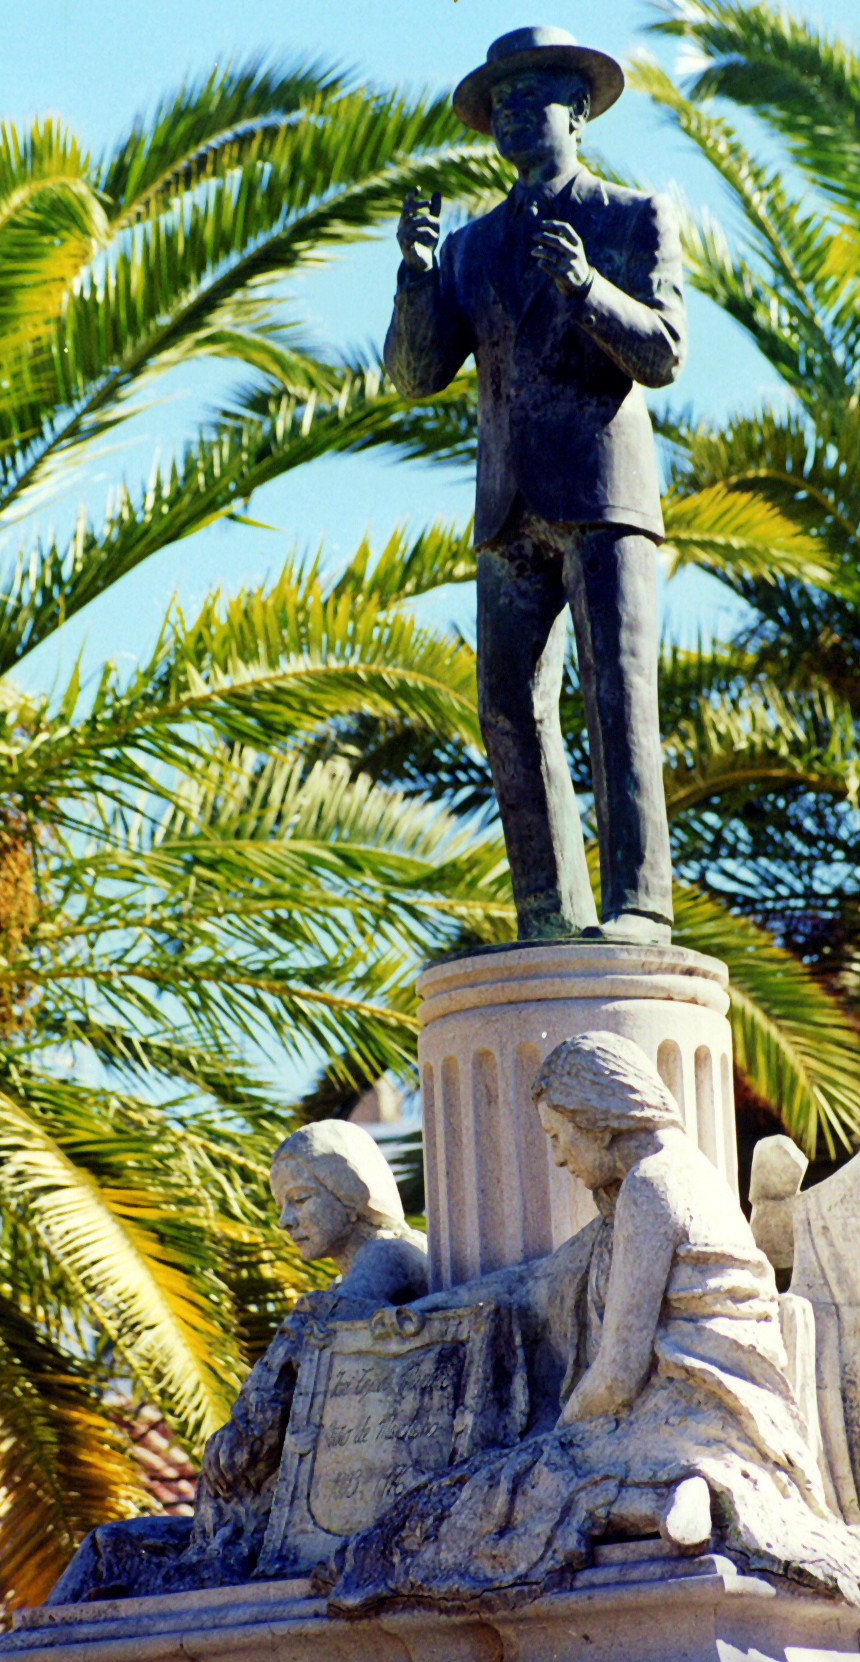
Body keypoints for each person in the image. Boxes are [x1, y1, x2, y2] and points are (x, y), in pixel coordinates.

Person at [326, 1033, 860, 1613]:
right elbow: (537, 1278)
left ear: (598, 1120)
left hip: (684, 1425)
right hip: (739, 1429)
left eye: (559, 1136)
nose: (559, 1158)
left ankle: (671, 1487)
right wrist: (427, 1308)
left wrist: (554, 1437)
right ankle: (674, 1491)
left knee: (490, 1495)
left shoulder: (651, 1188)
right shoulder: (683, 1178)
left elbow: (618, 1374)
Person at [385, 26, 686, 944]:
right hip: (508, 506)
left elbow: (665, 352)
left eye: (531, 100)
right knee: (508, 708)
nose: (512, 116)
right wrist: (415, 278)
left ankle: (640, 903)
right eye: (500, 106)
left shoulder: (631, 217)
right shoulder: (470, 248)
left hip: (601, 493)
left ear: (578, 113)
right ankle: (549, 914)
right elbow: (414, 374)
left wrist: (589, 288)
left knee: (619, 695)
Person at [44, 1121, 427, 1604]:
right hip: (259, 1521)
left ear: (352, 1193)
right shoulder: (366, 1271)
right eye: (281, 1205)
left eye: (301, 1199)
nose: (285, 1221)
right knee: (106, 1551)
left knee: (107, 1555)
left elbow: (319, 1351)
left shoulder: (387, 1256)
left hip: (271, 1533)